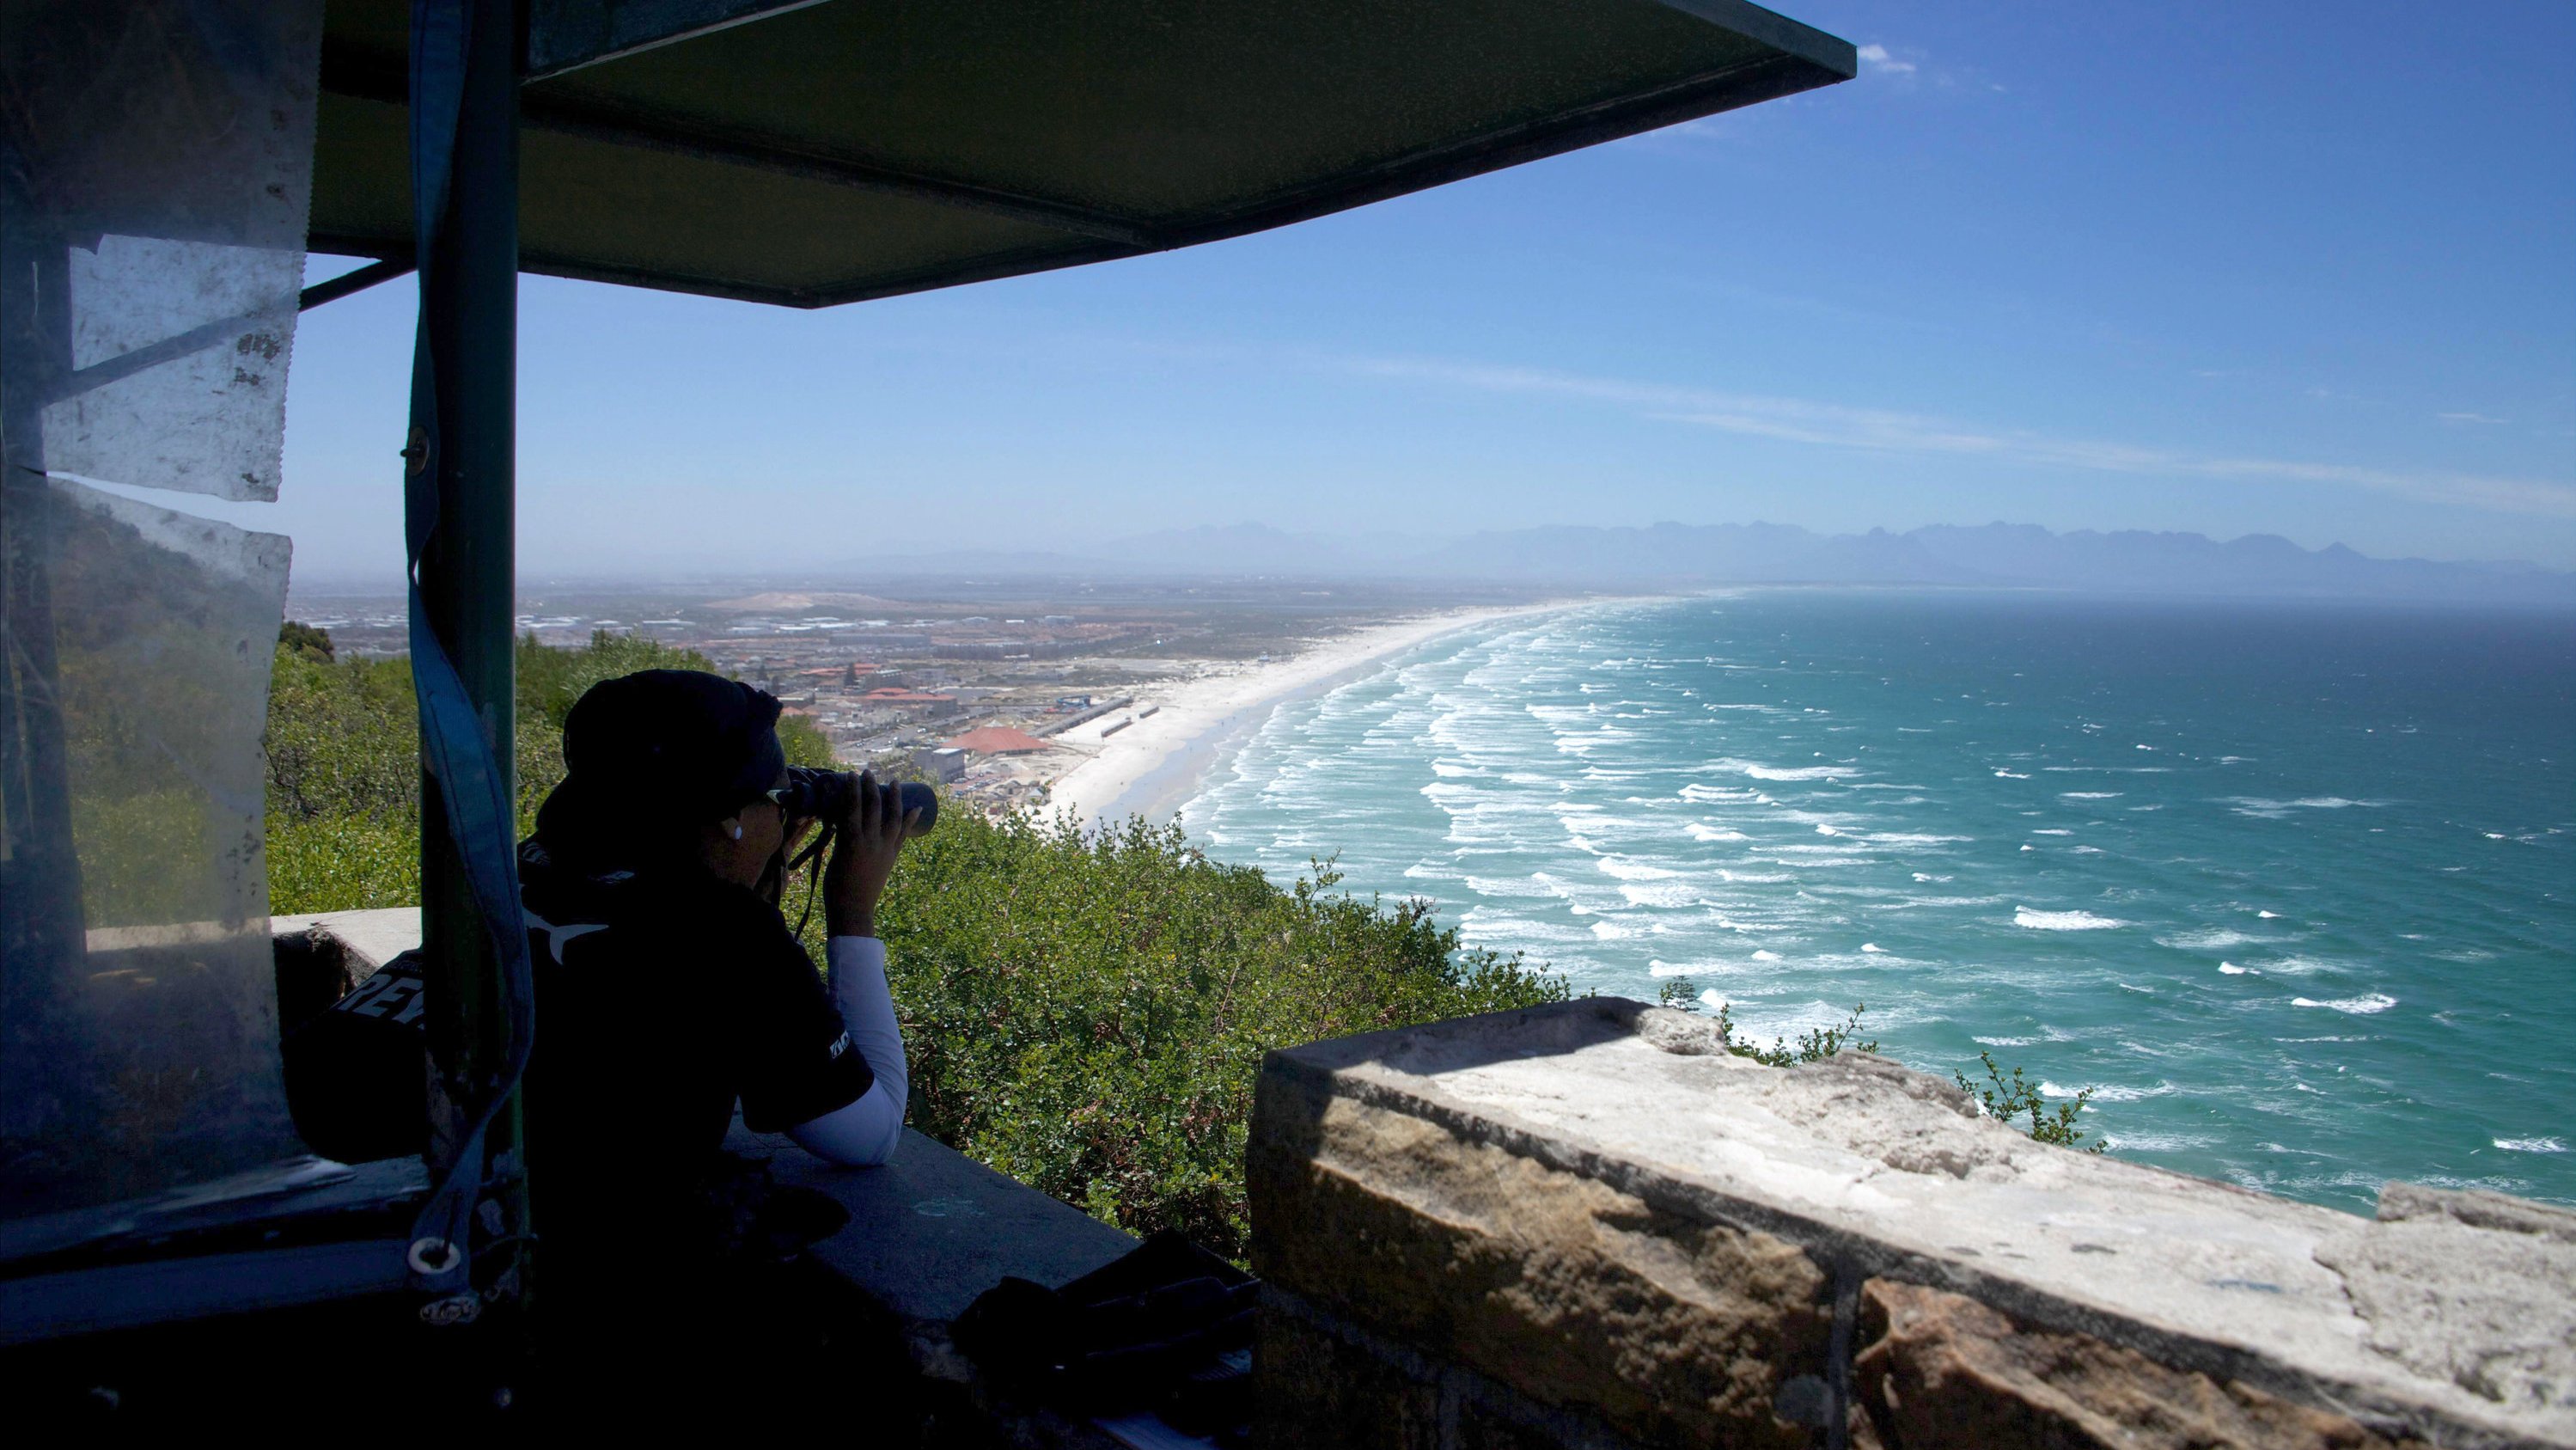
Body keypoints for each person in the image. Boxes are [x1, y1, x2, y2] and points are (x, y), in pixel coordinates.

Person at [514, 669, 917, 1300]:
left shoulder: (517, 872)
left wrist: (755, 879)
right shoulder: (722, 933)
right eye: (774, 803)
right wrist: (853, 911)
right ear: (729, 820)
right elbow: (870, 1132)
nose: (781, 822)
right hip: (576, 1287)